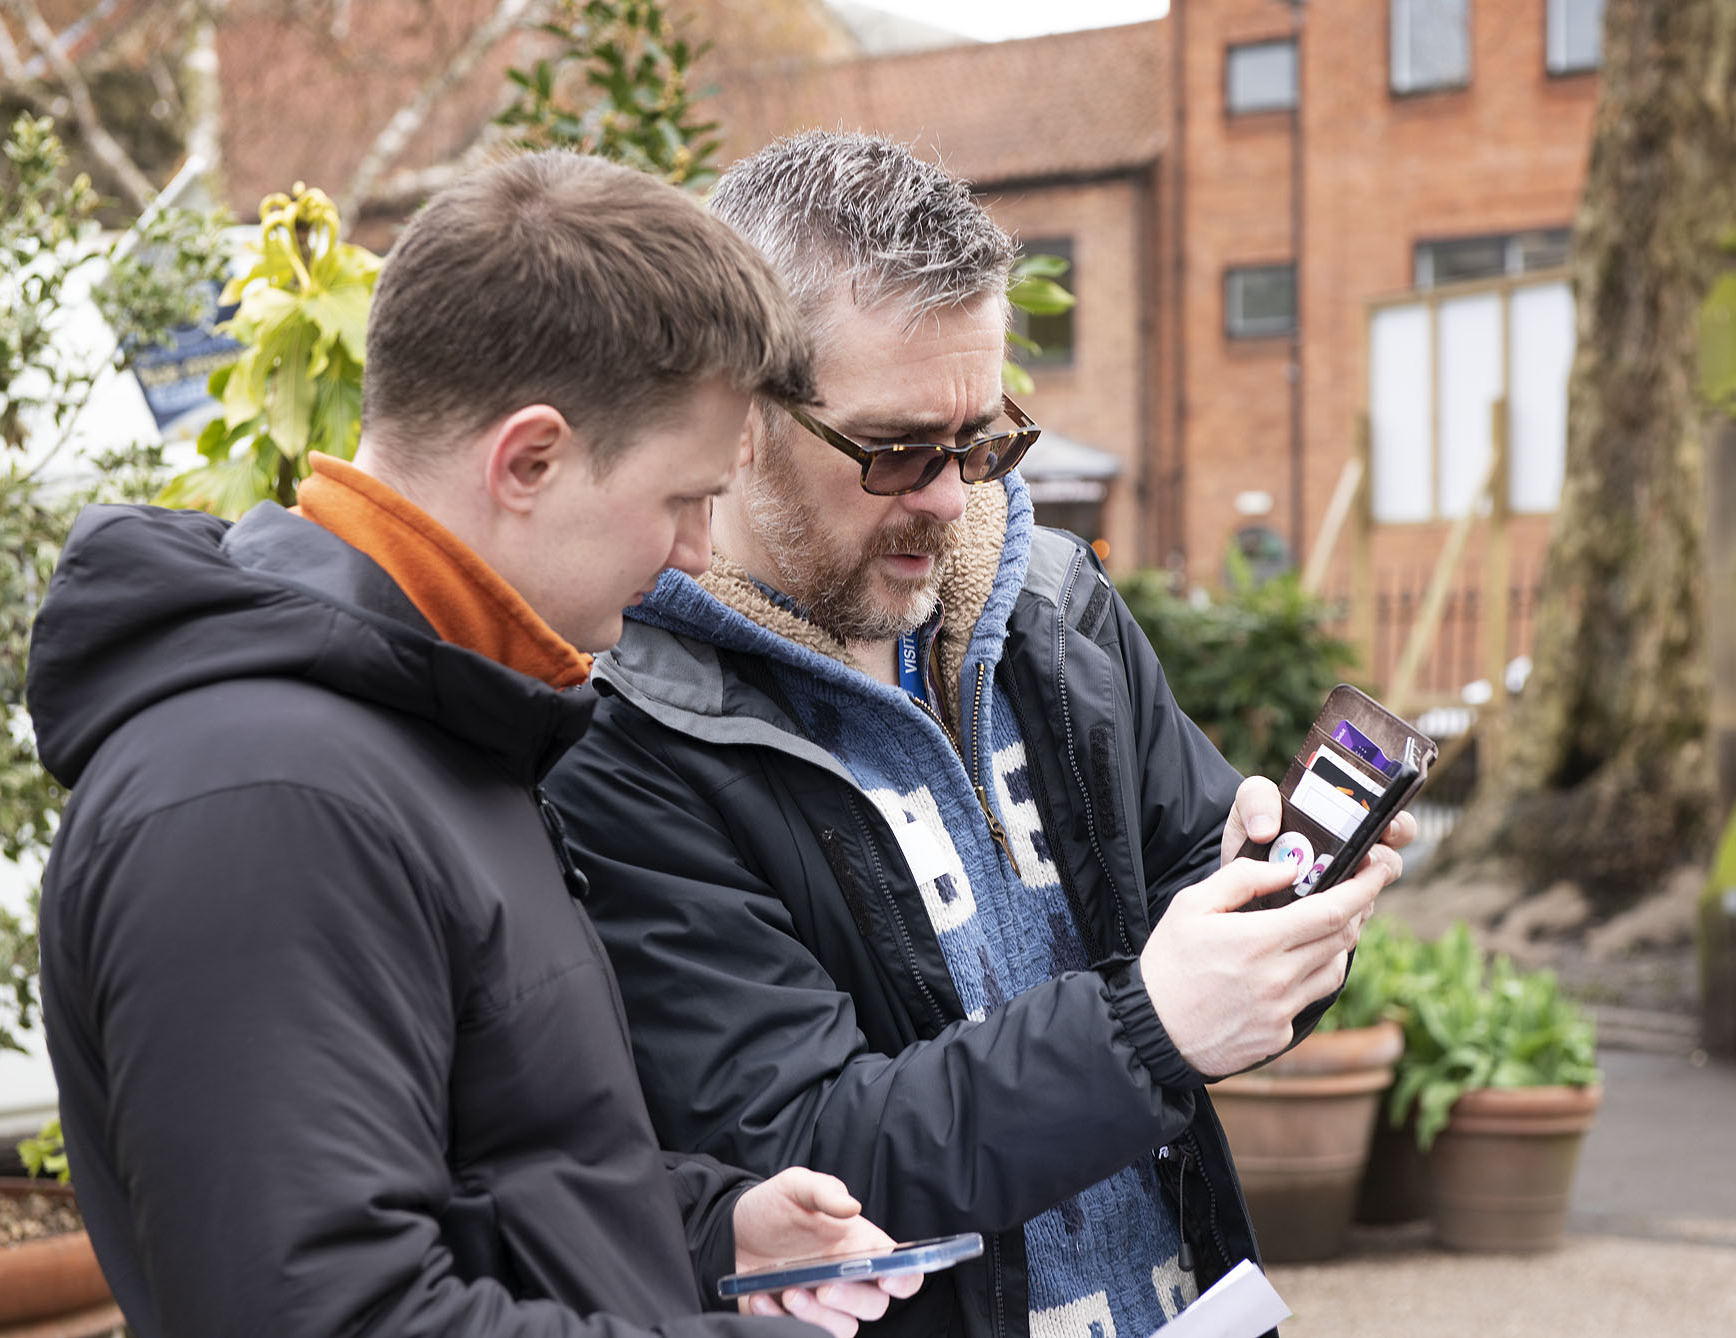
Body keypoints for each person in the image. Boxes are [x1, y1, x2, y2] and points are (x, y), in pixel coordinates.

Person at [26, 151, 921, 1338]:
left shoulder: (437, 728)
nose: (698, 550)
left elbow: (479, 1167)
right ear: (529, 460)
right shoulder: (263, 795)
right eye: (681, 498)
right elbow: (324, 1312)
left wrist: (709, 1228)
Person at [541, 131, 1411, 1338]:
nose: (953, 499)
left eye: (984, 441)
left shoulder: (1053, 605)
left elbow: (1200, 929)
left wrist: (1278, 915)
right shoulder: (623, 728)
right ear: (737, 416)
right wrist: (1150, 1023)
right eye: (897, 450)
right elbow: (800, 1156)